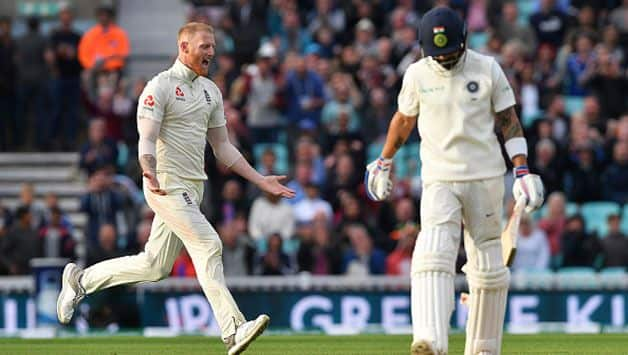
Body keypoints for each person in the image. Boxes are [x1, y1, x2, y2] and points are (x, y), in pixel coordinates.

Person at [57, 23, 295, 355]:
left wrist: (260, 179)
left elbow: (223, 147)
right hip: (165, 185)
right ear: (184, 47)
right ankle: (233, 328)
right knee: (209, 244)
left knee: (154, 266)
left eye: (212, 46)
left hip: (192, 190)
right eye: (204, 46)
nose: (211, 52)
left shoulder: (210, 91)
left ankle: (81, 282)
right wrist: (148, 169)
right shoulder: (160, 86)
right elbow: (147, 137)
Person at [364, 7, 544, 355]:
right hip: (438, 177)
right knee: (433, 251)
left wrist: (521, 168)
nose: (444, 60)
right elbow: (404, 120)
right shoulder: (417, 74)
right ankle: (430, 341)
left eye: (451, 53)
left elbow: (508, 120)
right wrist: (384, 160)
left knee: (489, 264)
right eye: (438, 55)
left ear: (465, 41)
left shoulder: (487, 67)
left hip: (486, 176)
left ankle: (484, 348)